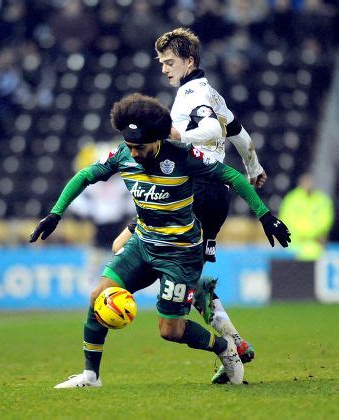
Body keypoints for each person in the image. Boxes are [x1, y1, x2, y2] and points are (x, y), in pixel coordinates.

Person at [29, 93, 290, 388]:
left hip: (181, 253)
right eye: (130, 146)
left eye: (140, 147)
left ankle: (224, 348)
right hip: (143, 243)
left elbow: (232, 176)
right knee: (98, 297)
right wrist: (55, 214)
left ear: (158, 139)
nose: (134, 153)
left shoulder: (184, 156)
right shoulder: (123, 156)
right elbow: (84, 177)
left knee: (170, 330)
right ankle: (91, 375)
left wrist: (266, 216)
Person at [112, 27, 267, 383]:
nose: (165, 69)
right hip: (215, 197)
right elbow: (237, 133)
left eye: (170, 62)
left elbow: (212, 130)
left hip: (193, 190)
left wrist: (180, 136)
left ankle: (229, 343)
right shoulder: (211, 92)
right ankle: (235, 344)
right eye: (162, 63)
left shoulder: (190, 95)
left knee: (125, 247)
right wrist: (254, 169)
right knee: (191, 274)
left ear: (189, 61)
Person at [278, 173, 334, 261]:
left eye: (310, 182)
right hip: (294, 242)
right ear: (300, 183)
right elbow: (286, 219)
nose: (308, 185)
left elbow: (326, 219)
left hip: (315, 242)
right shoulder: (292, 199)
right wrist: (300, 234)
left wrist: (312, 234)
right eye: (306, 182)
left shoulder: (322, 199)